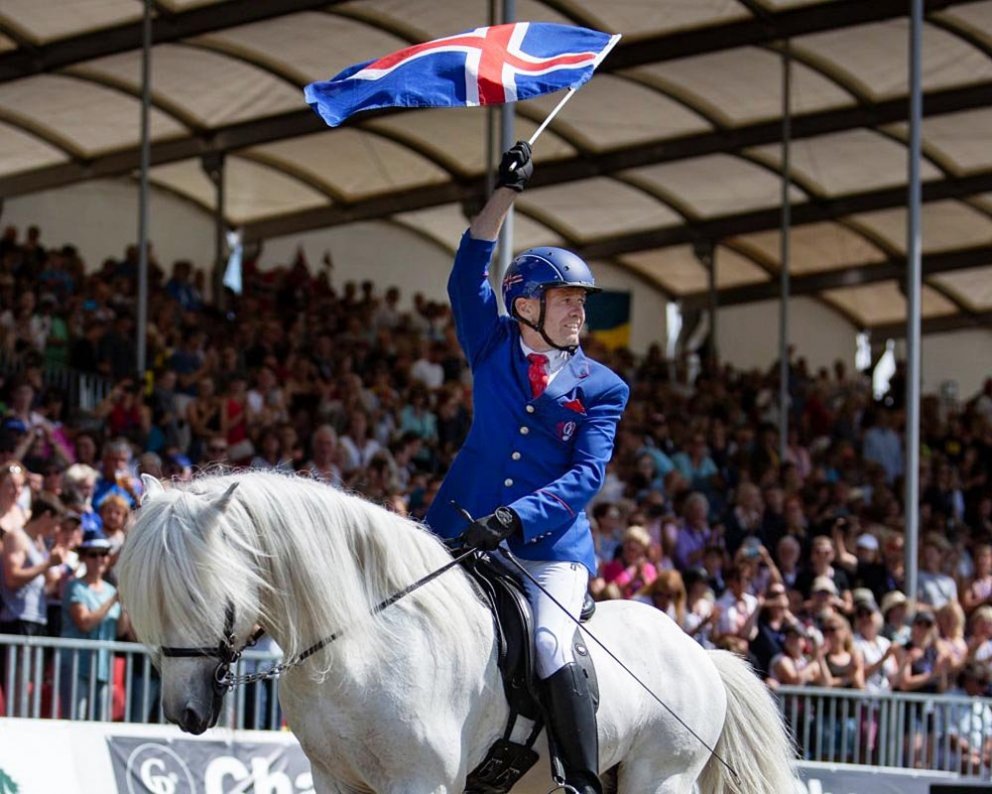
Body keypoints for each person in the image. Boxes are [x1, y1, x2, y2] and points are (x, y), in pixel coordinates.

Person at [425, 141, 629, 794]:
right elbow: (466, 273)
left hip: (547, 548)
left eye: (581, 301)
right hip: (454, 527)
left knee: (546, 643)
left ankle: (578, 780)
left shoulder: (603, 386)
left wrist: (516, 517)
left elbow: (585, 478)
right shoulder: (491, 346)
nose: (580, 312)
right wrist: (504, 194)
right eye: (566, 299)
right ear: (526, 304)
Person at [59, 527, 129, 720]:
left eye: (104, 554)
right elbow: (85, 623)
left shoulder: (109, 589)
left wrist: (124, 606)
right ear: (83, 557)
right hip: (76, 665)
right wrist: (114, 599)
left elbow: (120, 630)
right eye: (94, 554)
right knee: (75, 720)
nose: (100, 559)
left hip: (102, 667)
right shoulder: (75, 586)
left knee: (100, 723)